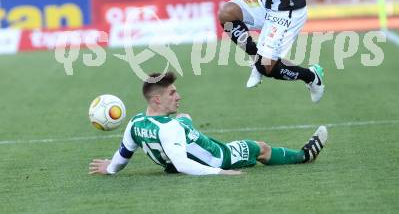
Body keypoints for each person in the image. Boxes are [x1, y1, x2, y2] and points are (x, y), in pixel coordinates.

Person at [89, 72, 328, 176]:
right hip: (217, 157)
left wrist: (110, 168)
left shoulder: (135, 123)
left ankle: (190, 129)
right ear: (157, 99)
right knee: (260, 147)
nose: (178, 96)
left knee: (185, 119)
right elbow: (183, 165)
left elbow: (123, 155)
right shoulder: (169, 128)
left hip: (177, 155)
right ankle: (303, 156)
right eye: (172, 93)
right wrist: (221, 172)